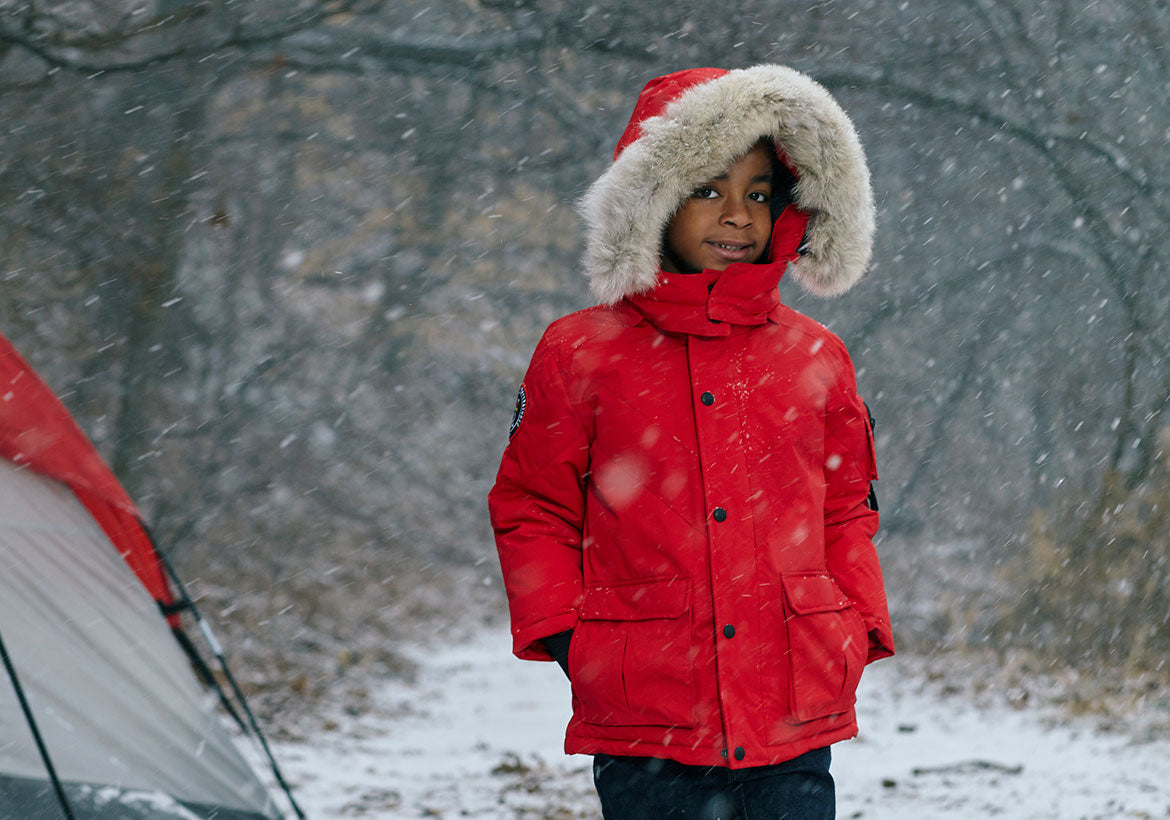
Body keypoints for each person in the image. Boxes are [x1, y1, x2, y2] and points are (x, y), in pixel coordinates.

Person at [488, 64, 894, 820]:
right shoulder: (582, 352)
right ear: (654, 198)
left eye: (759, 193)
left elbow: (846, 508)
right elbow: (532, 507)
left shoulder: (815, 356)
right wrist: (575, 643)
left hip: (792, 716)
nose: (737, 215)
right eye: (708, 189)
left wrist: (854, 626)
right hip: (650, 721)